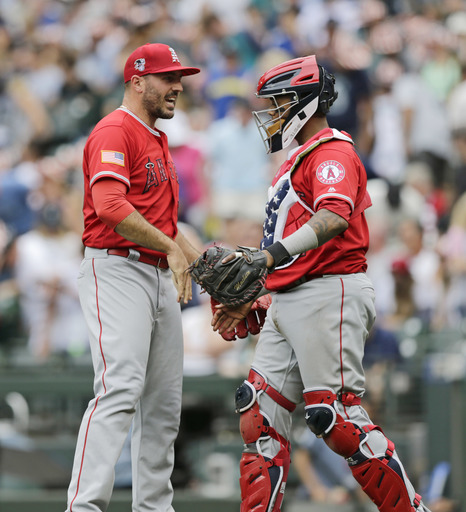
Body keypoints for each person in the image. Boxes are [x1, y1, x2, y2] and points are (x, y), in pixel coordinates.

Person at [212, 55, 430, 512]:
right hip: (295, 294)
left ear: (305, 104)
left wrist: (269, 259)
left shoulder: (332, 151)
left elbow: (334, 217)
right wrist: (265, 290)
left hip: (331, 289)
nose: (270, 114)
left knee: (335, 417)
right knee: (258, 413)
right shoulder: (299, 158)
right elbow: (295, 243)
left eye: (278, 104)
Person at [65, 43, 201, 512]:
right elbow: (110, 207)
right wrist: (169, 247)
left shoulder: (156, 136)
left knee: (164, 407)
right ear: (137, 81)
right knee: (120, 387)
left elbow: (162, 224)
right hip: (117, 267)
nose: (178, 86)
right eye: (168, 78)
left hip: (159, 274)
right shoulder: (114, 131)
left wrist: (197, 258)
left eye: (179, 77)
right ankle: (83, 507)